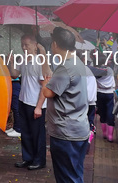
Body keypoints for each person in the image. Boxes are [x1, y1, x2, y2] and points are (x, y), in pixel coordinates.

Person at [42, 27, 89, 183]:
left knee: (67, 177)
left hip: (66, 132)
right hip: (78, 128)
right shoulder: (77, 63)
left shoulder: (65, 67)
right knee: (74, 174)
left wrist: (45, 81)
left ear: (55, 44)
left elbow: (48, 92)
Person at [7, 34, 50, 170]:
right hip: (23, 100)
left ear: (35, 45)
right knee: (25, 132)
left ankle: (39, 160)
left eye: (27, 45)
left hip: (35, 103)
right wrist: (11, 62)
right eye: (22, 44)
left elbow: (45, 85)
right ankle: (28, 158)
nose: (24, 47)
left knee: (37, 134)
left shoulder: (39, 62)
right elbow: (15, 74)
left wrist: (38, 107)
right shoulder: (24, 59)